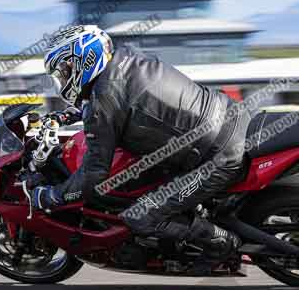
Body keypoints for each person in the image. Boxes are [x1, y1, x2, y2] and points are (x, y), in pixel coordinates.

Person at [28, 24, 249, 267]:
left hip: (217, 155)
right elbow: (127, 100)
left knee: (140, 216)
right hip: (229, 115)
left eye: (64, 70)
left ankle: (221, 242)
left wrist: (51, 196)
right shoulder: (126, 58)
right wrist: (75, 113)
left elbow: (93, 177)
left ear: (82, 58)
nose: (63, 79)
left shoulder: (104, 101)